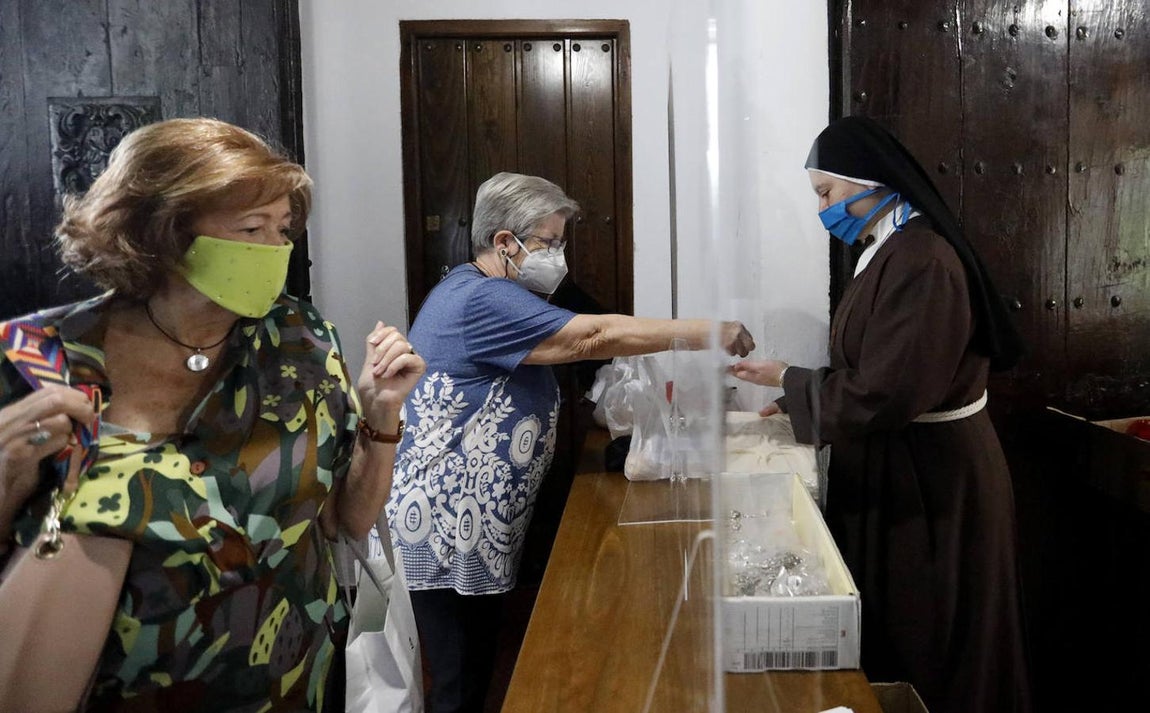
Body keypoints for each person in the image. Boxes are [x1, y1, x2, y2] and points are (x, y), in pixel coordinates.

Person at [0, 118, 424, 712]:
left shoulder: (300, 342)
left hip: (296, 680)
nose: (276, 251)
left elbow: (342, 522)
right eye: (251, 229)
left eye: (283, 229)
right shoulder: (34, 358)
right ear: (163, 234)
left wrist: (381, 416)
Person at [388, 171, 755, 712]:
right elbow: (592, 337)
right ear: (504, 243)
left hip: (471, 518)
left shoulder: (499, 292)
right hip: (443, 521)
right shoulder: (481, 298)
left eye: (561, 242)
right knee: (458, 679)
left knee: (476, 667)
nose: (558, 256)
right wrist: (708, 330)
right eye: (548, 243)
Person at [730, 116, 1030, 713]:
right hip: (903, 462)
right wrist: (790, 388)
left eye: (826, 193)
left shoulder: (922, 260)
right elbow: (881, 369)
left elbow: (889, 391)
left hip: (935, 479)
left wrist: (794, 384)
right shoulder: (886, 248)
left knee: (937, 630)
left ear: (870, 182)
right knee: (905, 621)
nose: (822, 210)